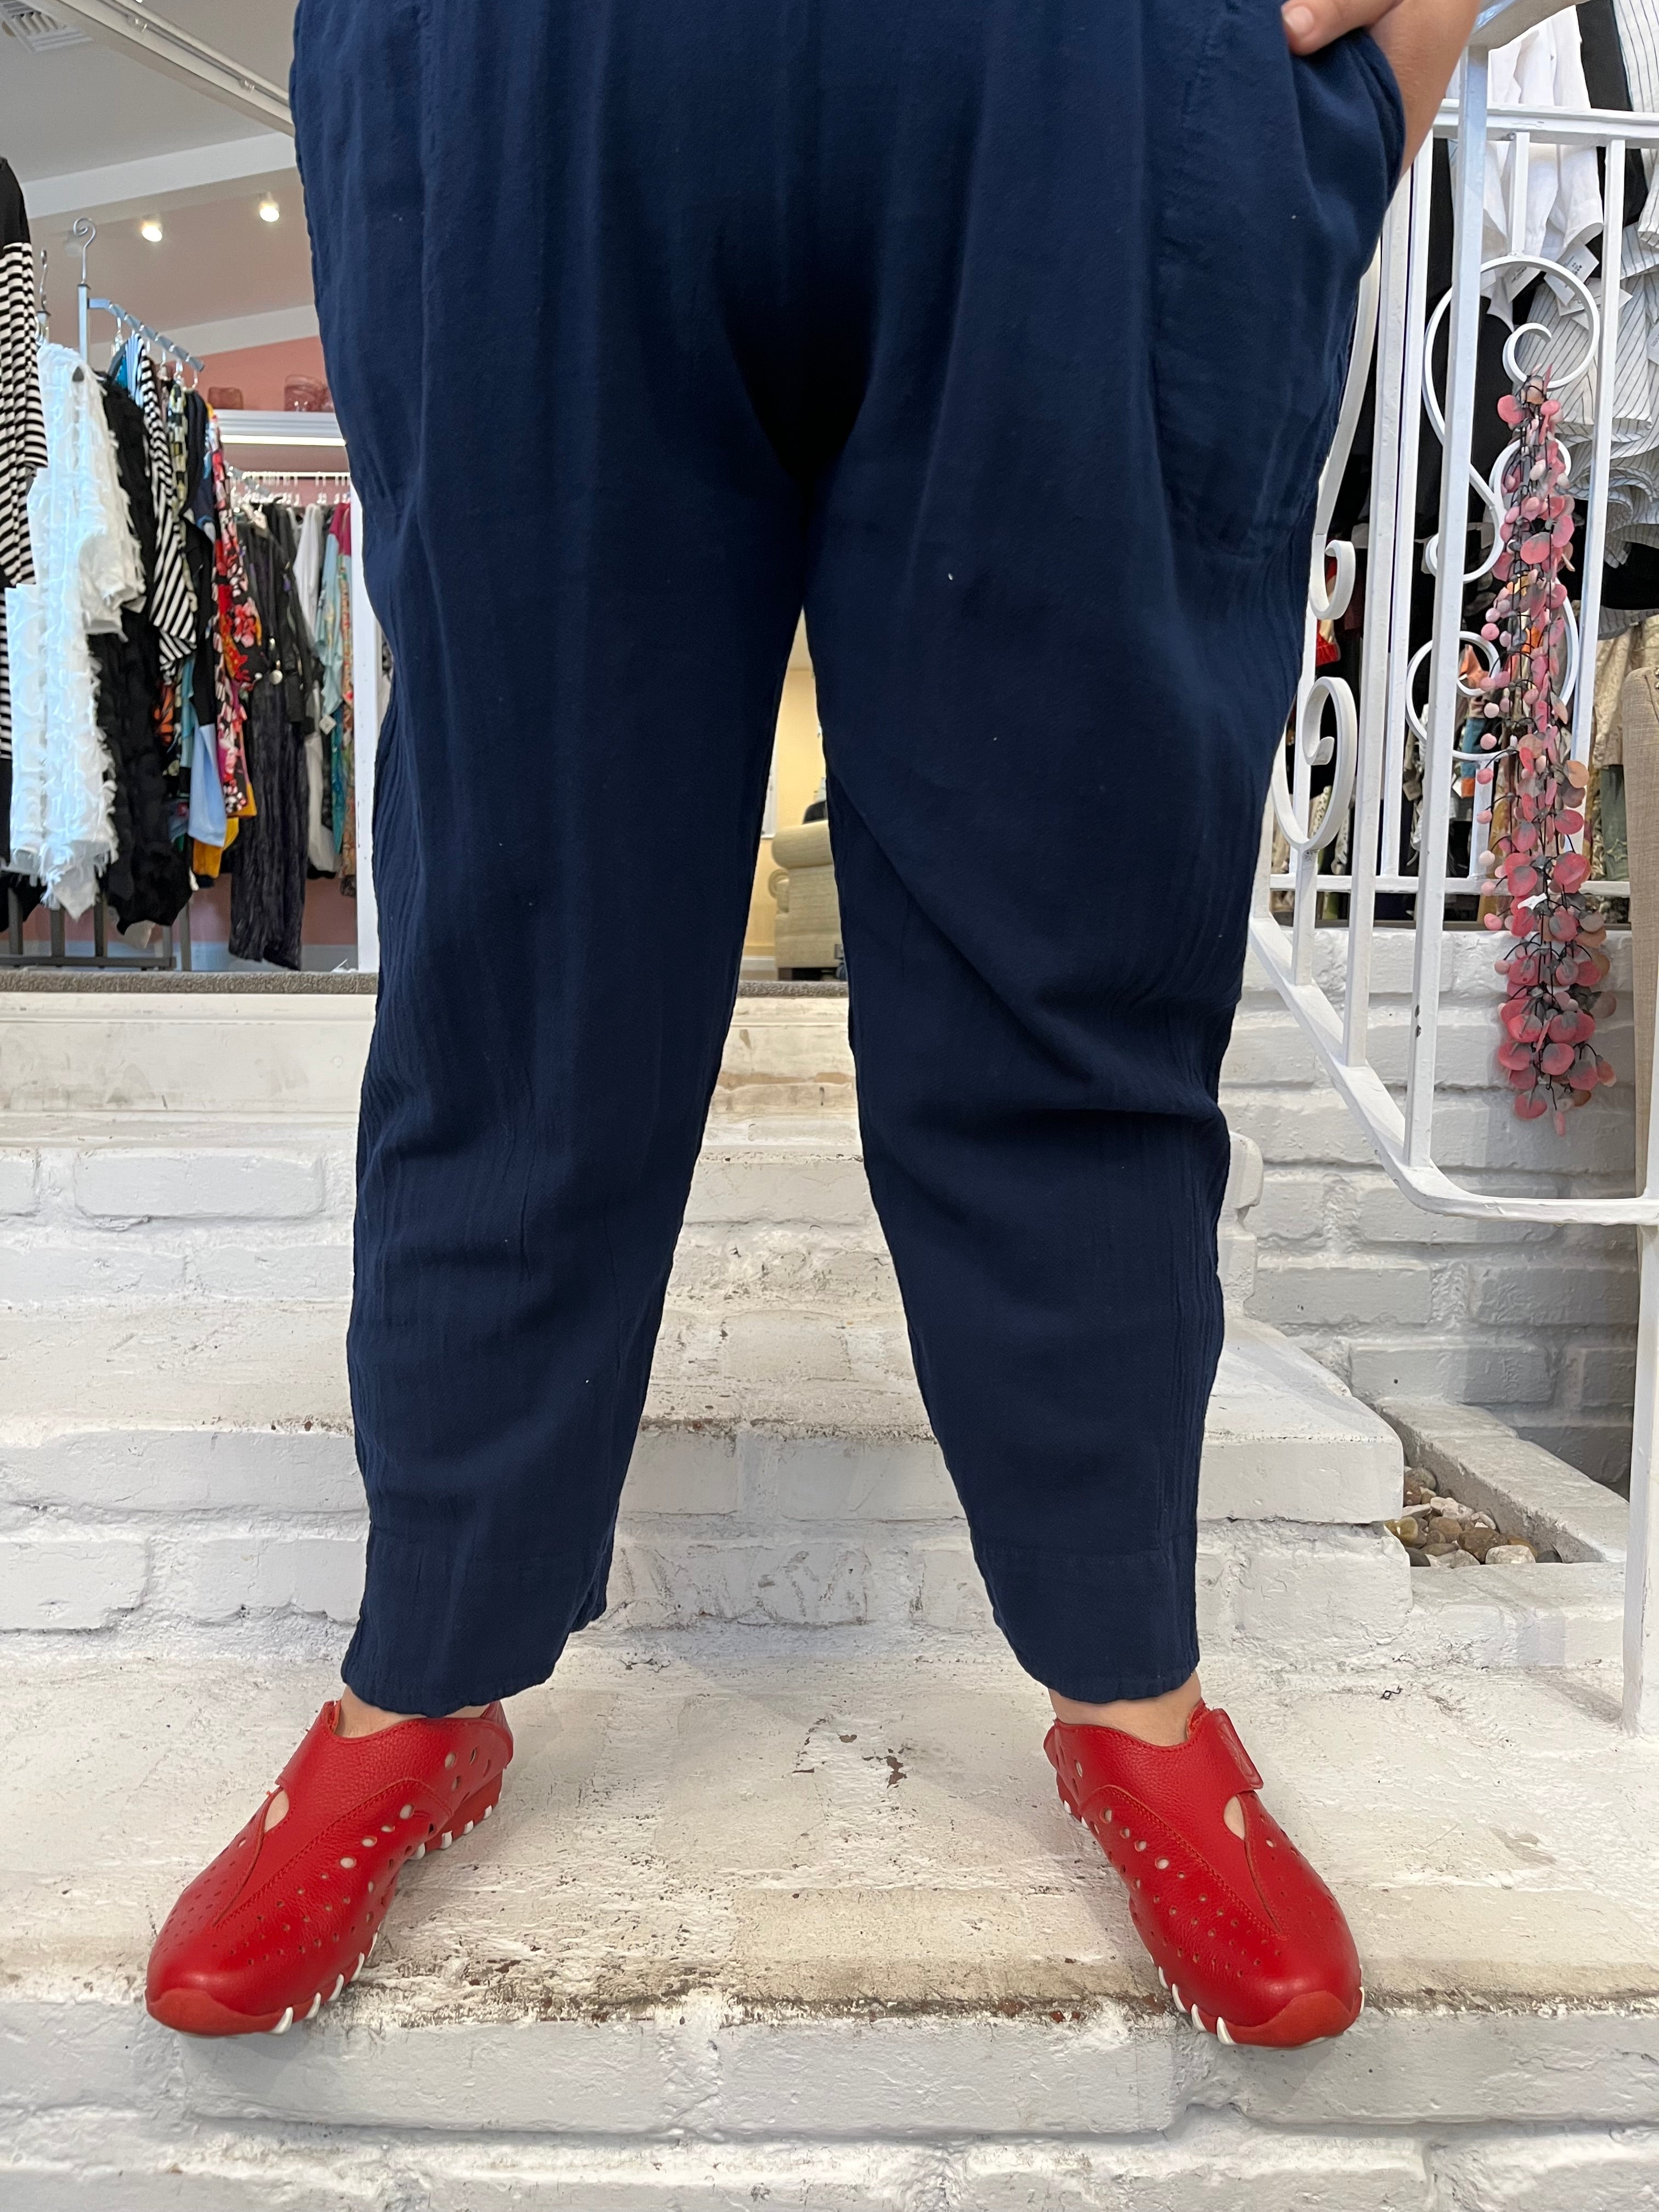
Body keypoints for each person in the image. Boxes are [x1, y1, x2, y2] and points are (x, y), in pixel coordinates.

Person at [146, 0, 1479, 2047]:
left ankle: (1131, 1686)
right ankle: (424, 1669)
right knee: (519, 934)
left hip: (1082, 73)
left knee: (1079, 906)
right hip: (526, 66)